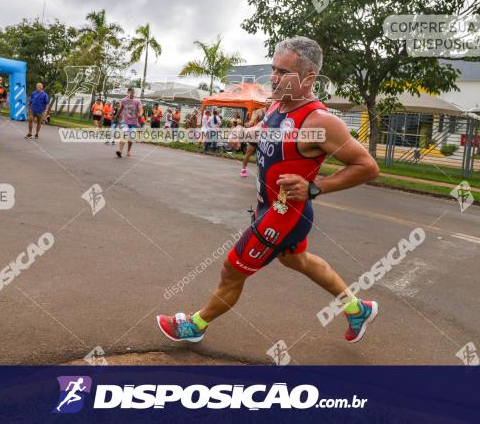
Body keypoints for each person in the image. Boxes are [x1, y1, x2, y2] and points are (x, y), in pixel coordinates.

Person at [157, 37, 381, 345]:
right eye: (273, 69)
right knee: (297, 260)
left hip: (284, 215)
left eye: (283, 72)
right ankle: (357, 308)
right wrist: (240, 132)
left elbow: (367, 166)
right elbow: (265, 132)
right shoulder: (277, 104)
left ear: (309, 78)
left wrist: (314, 188)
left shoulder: (321, 121)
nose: (273, 78)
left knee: (232, 270)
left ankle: (195, 326)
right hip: (269, 206)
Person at [239, 100, 270, 178]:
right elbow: (252, 120)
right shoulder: (259, 111)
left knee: (264, 156)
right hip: (255, 136)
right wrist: (249, 124)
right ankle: (243, 169)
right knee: (248, 153)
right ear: (265, 103)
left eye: (270, 102)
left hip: (266, 137)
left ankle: (261, 172)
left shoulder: (274, 112)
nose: (269, 103)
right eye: (267, 101)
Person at [114, 87, 143, 158]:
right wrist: (116, 115)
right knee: (123, 134)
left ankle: (128, 151)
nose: (130, 93)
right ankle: (120, 151)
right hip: (125, 121)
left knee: (131, 138)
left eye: (132, 92)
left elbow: (140, 109)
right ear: (127, 93)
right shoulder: (124, 100)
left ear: (134, 93)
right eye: (129, 92)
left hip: (133, 123)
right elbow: (121, 108)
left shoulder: (137, 101)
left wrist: (140, 114)